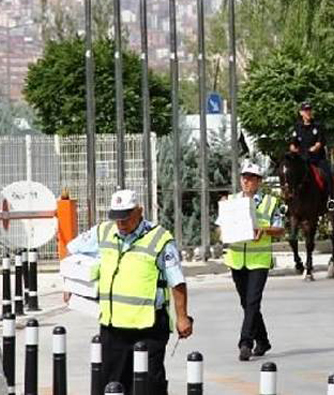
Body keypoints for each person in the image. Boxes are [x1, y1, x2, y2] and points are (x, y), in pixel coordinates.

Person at [66, 189, 193, 395]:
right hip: (113, 327)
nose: (121, 223)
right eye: (117, 218)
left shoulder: (159, 239)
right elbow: (73, 252)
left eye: (126, 217)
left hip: (149, 327)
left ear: (139, 211)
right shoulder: (103, 232)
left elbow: (177, 281)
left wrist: (182, 317)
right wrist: (72, 285)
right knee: (113, 385)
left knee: (150, 385)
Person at [217, 161, 284, 361]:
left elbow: (279, 229)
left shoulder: (270, 202)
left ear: (259, 181)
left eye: (251, 178)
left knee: (253, 300)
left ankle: (245, 342)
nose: (247, 181)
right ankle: (262, 340)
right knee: (247, 303)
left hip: (259, 260)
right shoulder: (231, 201)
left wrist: (263, 230)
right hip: (237, 259)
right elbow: (220, 227)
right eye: (244, 177)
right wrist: (225, 231)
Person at [289, 101, 334, 211]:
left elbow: (320, 143)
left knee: (328, 174)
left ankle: (331, 199)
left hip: (316, 159)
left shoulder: (317, 126)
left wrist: (313, 149)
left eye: (309, 110)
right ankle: (288, 201)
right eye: (305, 110)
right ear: (301, 113)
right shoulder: (297, 127)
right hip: (301, 159)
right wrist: (295, 149)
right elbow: (292, 144)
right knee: (290, 174)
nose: (308, 112)